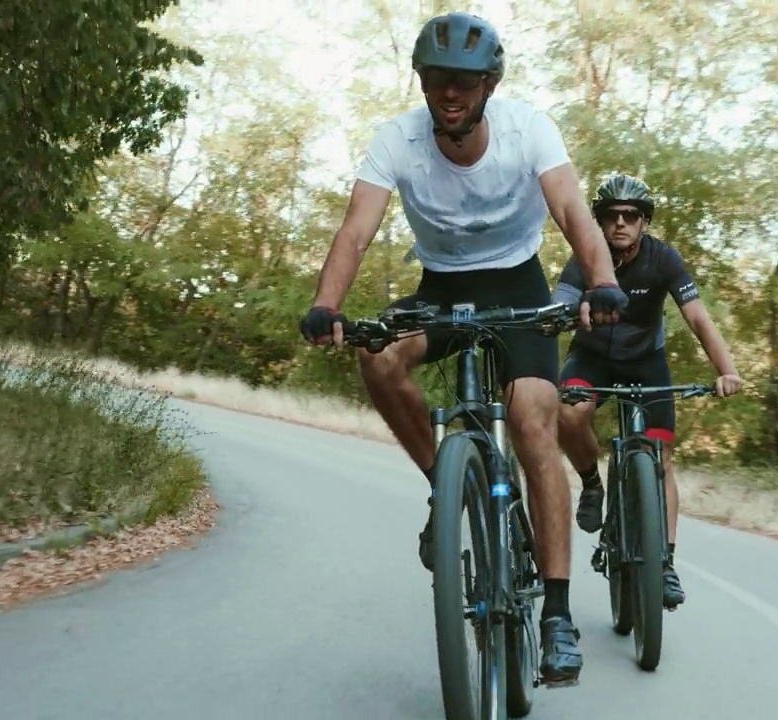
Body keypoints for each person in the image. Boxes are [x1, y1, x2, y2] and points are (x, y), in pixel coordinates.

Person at [296, 12, 627, 686]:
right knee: (379, 356)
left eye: (465, 81)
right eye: (438, 78)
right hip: (442, 288)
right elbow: (357, 229)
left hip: (519, 285)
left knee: (535, 419)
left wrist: (603, 281)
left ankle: (557, 615)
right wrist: (327, 304)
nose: (451, 92)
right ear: (423, 82)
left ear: (488, 85)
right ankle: (442, 492)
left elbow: (571, 212)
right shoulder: (398, 140)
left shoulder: (527, 128)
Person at [551, 174, 742, 609]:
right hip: (592, 357)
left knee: (662, 458)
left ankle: (666, 562)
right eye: (611, 216)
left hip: (644, 361)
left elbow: (696, 317)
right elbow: (558, 308)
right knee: (570, 412)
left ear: (644, 222)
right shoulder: (584, 258)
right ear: (598, 222)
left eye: (631, 216)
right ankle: (592, 483)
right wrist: (573, 311)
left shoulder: (663, 259)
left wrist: (726, 370)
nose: (621, 224)